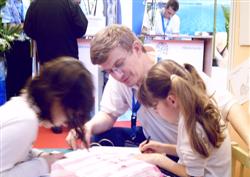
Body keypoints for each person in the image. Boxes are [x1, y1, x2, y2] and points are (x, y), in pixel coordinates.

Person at [66, 24, 250, 155]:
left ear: (137, 48)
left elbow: (229, 105)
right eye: (108, 71)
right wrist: (87, 127)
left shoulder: (176, 69)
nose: (117, 76)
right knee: (101, 137)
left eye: (119, 65)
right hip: (158, 146)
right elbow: (108, 114)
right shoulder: (120, 80)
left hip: (190, 151)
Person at [0, 57, 94, 177]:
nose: (66, 122)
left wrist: (40, 155)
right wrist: (43, 165)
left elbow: (13, 153)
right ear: (57, 99)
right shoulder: (26, 120)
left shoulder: (21, 107)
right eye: (71, 112)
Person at [136, 59, 231, 177]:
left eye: (155, 107)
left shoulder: (193, 127)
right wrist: (162, 147)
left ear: (172, 100)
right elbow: (195, 153)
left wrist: (158, 159)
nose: (156, 113)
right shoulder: (195, 112)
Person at [23, 0, 88, 64]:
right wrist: (70, 34)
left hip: (46, 59)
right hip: (69, 59)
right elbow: (82, 27)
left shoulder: (35, 5)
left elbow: (28, 29)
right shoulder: (70, 3)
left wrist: (40, 35)